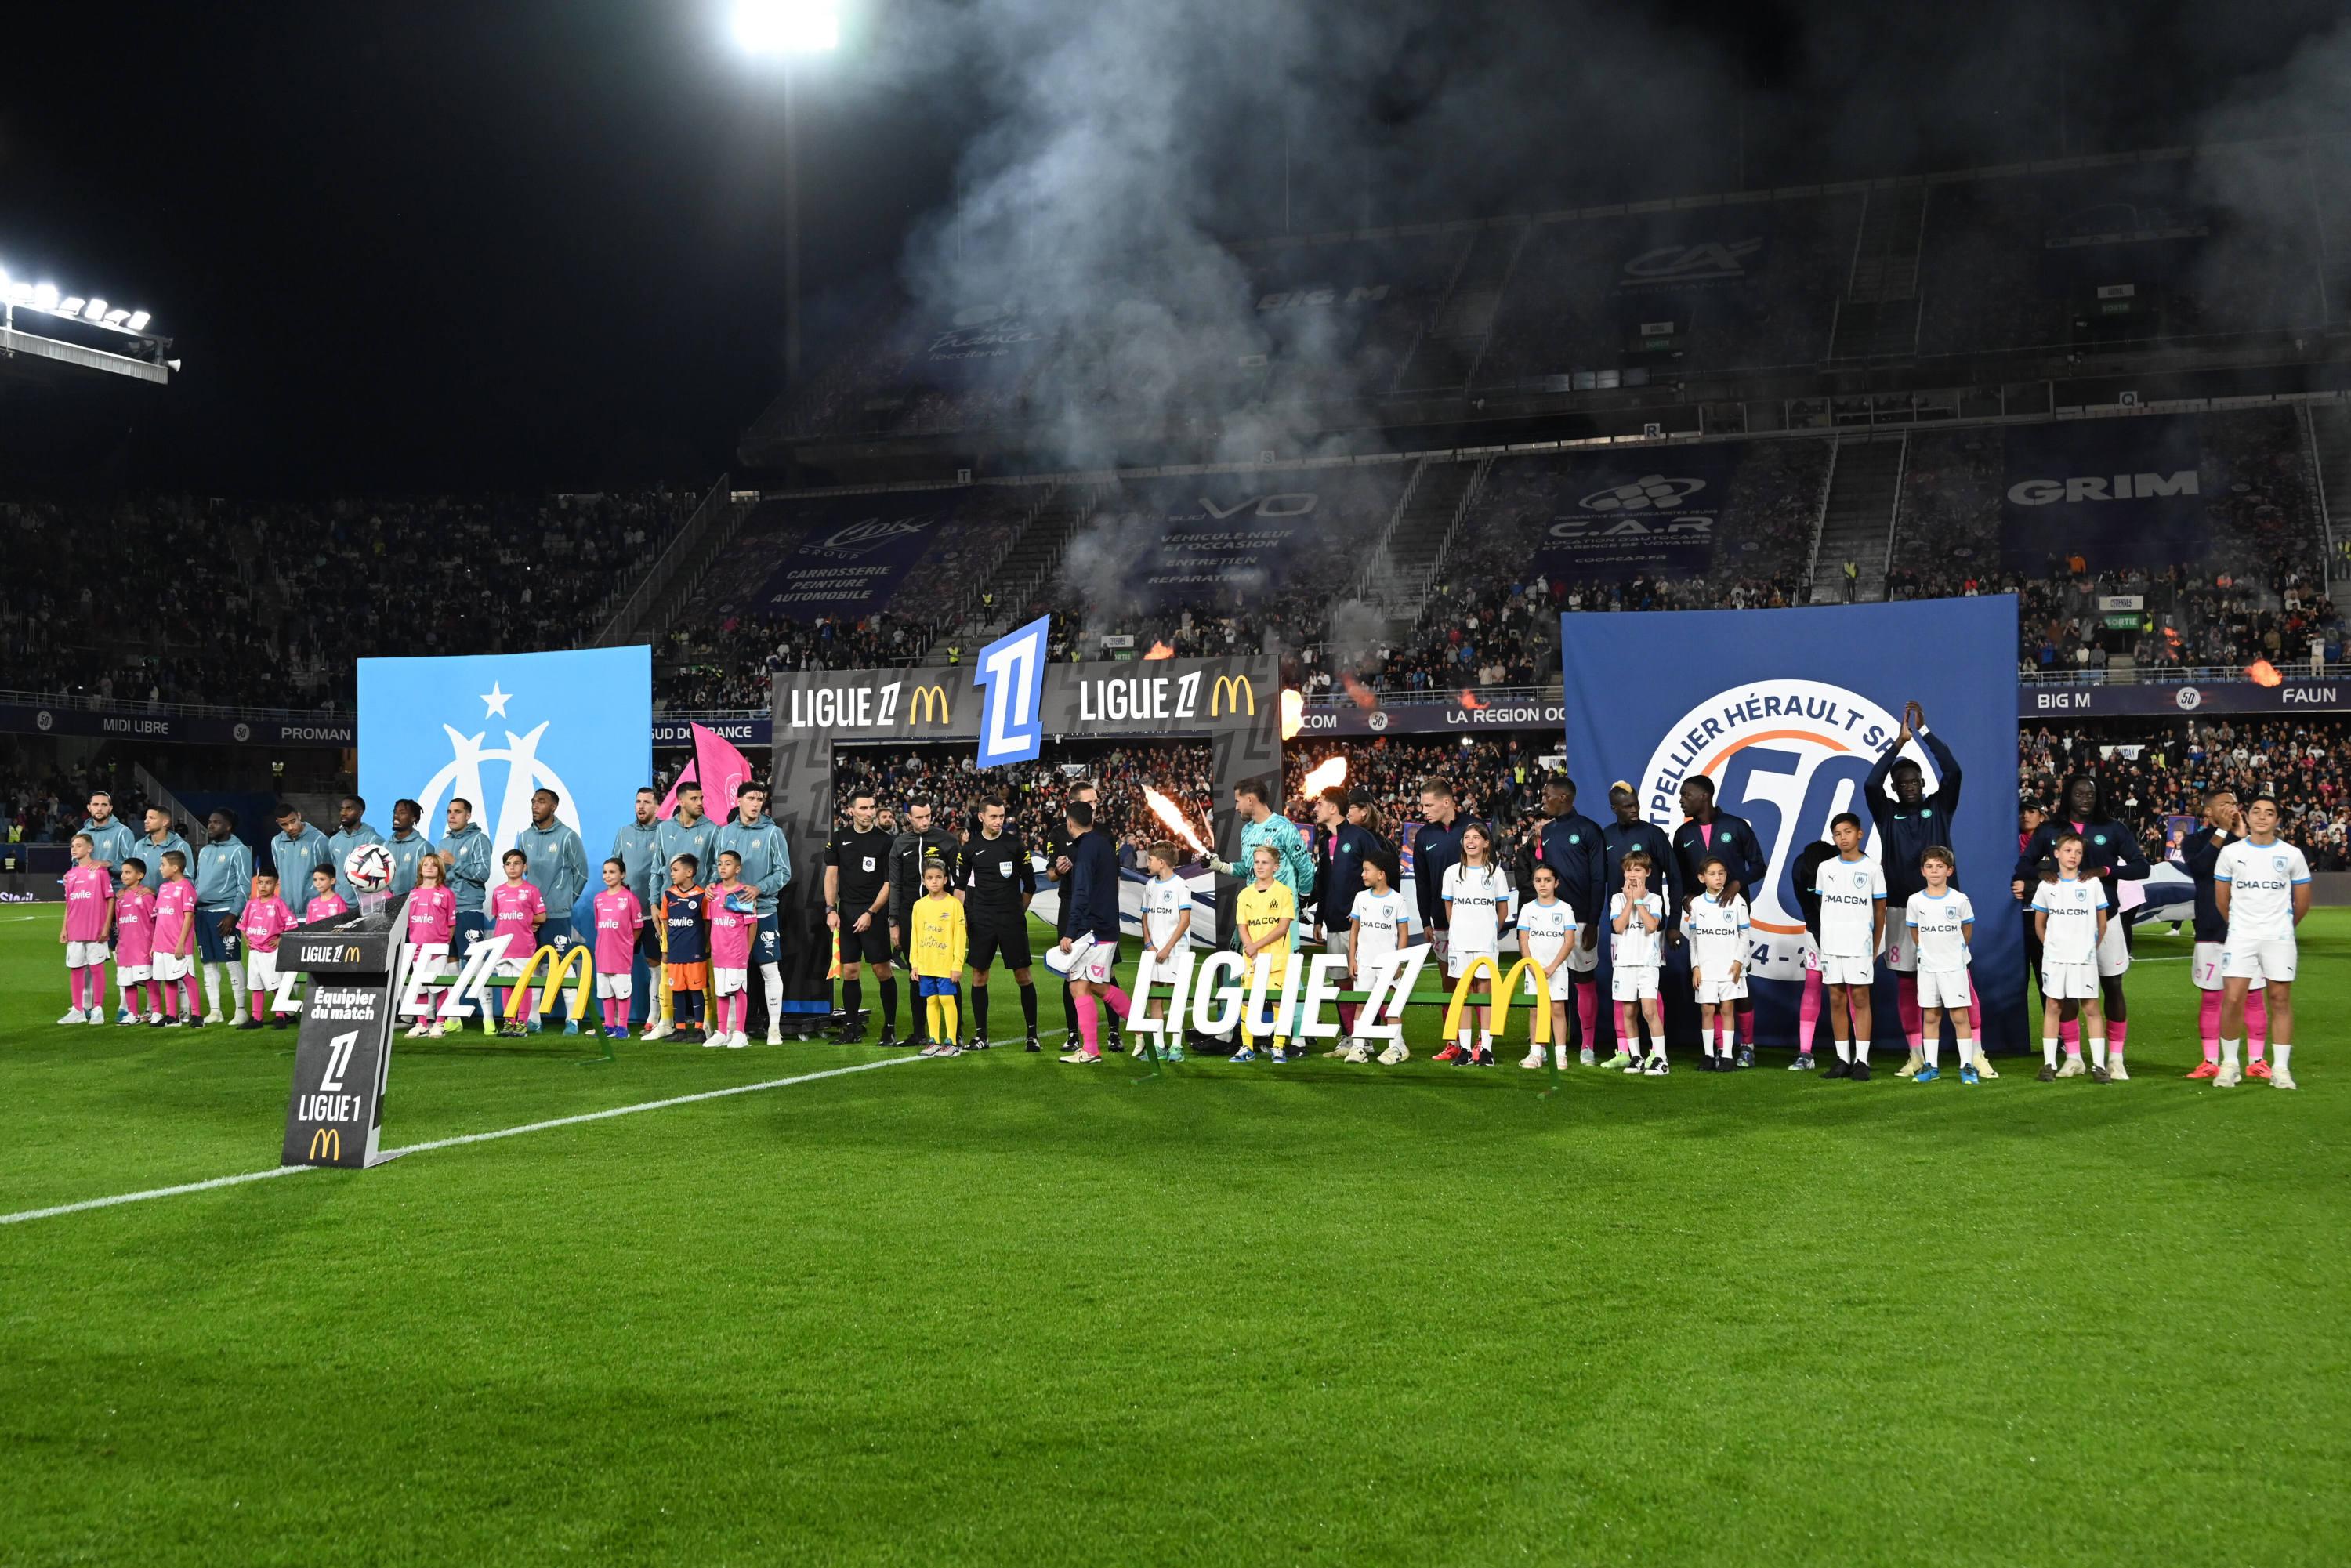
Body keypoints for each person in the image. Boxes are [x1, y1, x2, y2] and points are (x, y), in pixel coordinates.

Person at [1863, 701, 1977, 1078]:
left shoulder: (1940, 806)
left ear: (1923, 785)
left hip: (1944, 908)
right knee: (1908, 981)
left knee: (1961, 978)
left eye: (1915, 782)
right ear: (1894, 788)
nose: (1909, 787)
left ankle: (1974, 1055)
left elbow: (1954, 769)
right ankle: (1916, 1055)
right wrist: (1898, 744)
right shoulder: (1886, 814)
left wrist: (1925, 735)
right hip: (1899, 910)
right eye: (1902, 783)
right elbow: (1869, 783)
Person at [2013, 773, 2146, 1076]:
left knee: (2112, 987)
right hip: (2065, 928)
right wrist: (2038, 877)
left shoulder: (2112, 829)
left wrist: (2107, 870)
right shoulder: (2050, 830)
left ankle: (2115, 1058)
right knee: (2066, 994)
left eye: (2091, 794)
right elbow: (2023, 865)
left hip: (2105, 921)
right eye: (2079, 793)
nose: (2085, 799)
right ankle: (2073, 1057)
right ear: (2068, 796)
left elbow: (2142, 867)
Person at [2212, 794, 2312, 1090]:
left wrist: (2283, 927)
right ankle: (2229, 1064)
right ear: (2249, 816)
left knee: (2280, 999)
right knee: (2232, 999)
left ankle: (2280, 1068)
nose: (2262, 817)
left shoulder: (2292, 855)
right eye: (2256, 811)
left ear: (2277, 820)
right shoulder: (2231, 853)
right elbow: (2221, 899)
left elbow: (2303, 902)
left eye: (2269, 813)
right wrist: (2239, 926)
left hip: (2278, 938)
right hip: (2241, 935)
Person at [1671, 776, 1765, 1067]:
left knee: (1738, 984)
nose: (1681, 799)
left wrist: (1737, 884)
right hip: (1703, 916)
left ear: (1704, 796)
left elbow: (1759, 865)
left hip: (1731, 916)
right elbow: (1680, 876)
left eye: (1686, 794)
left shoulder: (1736, 826)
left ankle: (1747, 1046)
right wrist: (1686, 897)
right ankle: (1719, 1052)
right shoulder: (1682, 833)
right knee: (1709, 989)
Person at [2182, 789, 2270, 1080]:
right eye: (2224, 805)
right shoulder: (2195, 841)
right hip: (2210, 929)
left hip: (2248, 929)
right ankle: (2210, 1061)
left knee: (2254, 996)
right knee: (2212, 997)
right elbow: (2200, 867)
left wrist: (2245, 837)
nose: (2232, 808)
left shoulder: (2249, 842)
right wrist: (2223, 832)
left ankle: (2257, 1060)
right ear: (2208, 812)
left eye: (2234, 804)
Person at [1529, 776, 1606, 1064]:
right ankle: (1547, 1046)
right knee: (1546, 980)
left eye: (1547, 795)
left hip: (1583, 918)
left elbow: (1599, 878)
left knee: (1583, 979)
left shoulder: (1588, 829)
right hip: (1550, 921)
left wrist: (1594, 921)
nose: (1543, 799)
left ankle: (1587, 1046)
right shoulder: (1547, 832)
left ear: (1563, 797)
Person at [958, 795, 1039, 1052]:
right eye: (993, 816)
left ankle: (1032, 1036)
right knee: (979, 975)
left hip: (1010, 920)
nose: (998, 821)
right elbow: (960, 888)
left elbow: (1031, 885)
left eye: (1001, 816)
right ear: (981, 816)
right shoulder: (970, 848)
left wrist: (1017, 912)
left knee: (1023, 975)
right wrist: (964, 917)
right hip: (981, 919)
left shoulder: (1015, 845)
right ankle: (981, 1036)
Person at [715, 784, 792, 1045]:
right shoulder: (724, 833)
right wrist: (709, 887)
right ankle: (735, 1031)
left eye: (760, 799)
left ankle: (774, 1029)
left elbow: (784, 872)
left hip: (763, 911)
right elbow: (716, 870)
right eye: (751, 798)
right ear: (739, 801)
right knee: (732, 973)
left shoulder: (773, 833)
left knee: (769, 969)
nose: (756, 803)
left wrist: (760, 888)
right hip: (731, 915)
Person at [2030, 832, 2110, 1084]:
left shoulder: (2092, 884)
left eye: (2077, 852)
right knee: (2053, 1006)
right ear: (2057, 854)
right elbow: (2039, 925)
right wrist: (2051, 947)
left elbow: (2102, 923)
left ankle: (2099, 1066)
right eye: (2067, 851)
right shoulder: (2047, 886)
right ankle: (2049, 1064)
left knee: (2091, 1008)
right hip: (2055, 958)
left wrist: (2089, 947)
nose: (2072, 856)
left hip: (2083, 958)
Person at [1811, 813, 1886, 1081]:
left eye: (1847, 832)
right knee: (1836, 998)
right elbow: (1821, 905)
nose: (1843, 838)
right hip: (1832, 944)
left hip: (1860, 945)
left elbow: (1880, 911)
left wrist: (1876, 944)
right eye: (1837, 834)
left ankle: (1862, 1060)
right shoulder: (1826, 868)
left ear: (1859, 834)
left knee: (1861, 998)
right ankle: (1842, 1059)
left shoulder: (1872, 869)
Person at [1056, 799, 1130, 1065]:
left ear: (1070, 823)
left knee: (1078, 985)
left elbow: (1082, 892)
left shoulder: (1086, 850)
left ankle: (1091, 1050)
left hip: (1092, 929)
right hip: (1106, 924)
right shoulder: (1104, 845)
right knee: (1097, 985)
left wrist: (1070, 931)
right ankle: (1144, 1030)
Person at [1435, 820, 1512, 1066]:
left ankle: (1487, 1049)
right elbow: (1449, 907)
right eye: (1467, 837)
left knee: (1485, 991)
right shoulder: (1452, 873)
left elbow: (1503, 909)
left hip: (1485, 943)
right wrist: (1459, 927)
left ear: (1486, 843)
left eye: (1476, 838)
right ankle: (1466, 1050)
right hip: (1460, 942)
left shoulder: (1496, 873)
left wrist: (1489, 930)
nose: (1470, 842)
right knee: (1463, 992)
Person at [826, 791, 899, 1045]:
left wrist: (871, 912)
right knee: (850, 971)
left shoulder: (885, 841)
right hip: (847, 912)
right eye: (864, 808)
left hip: (874, 914)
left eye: (872, 808)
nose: (869, 813)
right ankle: (851, 1029)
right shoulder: (839, 838)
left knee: (882, 970)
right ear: (851, 811)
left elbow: (890, 883)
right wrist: (830, 909)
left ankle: (889, 1028)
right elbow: (831, 877)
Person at [888, 797, 958, 1048]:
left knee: (949, 974)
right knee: (916, 974)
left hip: (942, 915)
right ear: (909, 818)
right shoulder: (900, 844)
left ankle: (954, 1032)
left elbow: (959, 881)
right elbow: (894, 885)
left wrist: (959, 914)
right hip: (910, 916)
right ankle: (919, 1032)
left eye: (928, 816)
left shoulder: (947, 841)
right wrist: (893, 922)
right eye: (919, 817)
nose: (924, 821)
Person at [1905, 847, 1977, 1083]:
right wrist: (1928, 952)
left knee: (1959, 1016)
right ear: (1922, 871)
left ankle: (1967, 1067)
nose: (1934, 871)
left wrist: (1954, 952)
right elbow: (1915, 932)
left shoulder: (1959, 899)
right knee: (1931, 1017)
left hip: (1954, 967)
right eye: (1930, 866)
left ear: (1949, 870)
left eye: (1939, 866)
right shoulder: (1915, 901)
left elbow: (1966, 930)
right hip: (1928, 968)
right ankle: (1931, 1067)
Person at [653, 783, 719, 1034]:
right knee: (668, 965)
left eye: (702, 797)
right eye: (694, 798)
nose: (700, 802)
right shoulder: (664, 830)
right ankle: (667, 1023)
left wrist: (707, 898)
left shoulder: (713, 830)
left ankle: (709, 1023)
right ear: (681, 801)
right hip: (670, 908)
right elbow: (656, 869)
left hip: (700, 909)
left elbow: (715, 869)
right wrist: (654, 903)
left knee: (704, 969)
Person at [1346, 847, 1415, 1066]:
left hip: (1387, 964)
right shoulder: (1360, 898)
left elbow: (1403, 933)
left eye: (1367, 870)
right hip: (1365, 962)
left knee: (1392, 1005)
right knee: (1361, 1004)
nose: (1362, 874)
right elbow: (1354, 930)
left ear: (1381, 874)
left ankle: (1395, 1046)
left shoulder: (1397, 900)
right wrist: (1352, 959)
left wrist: (1398, 961)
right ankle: (1358, 1048)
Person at [1683, 855, 1751, 1073]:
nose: (1718, 878)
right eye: (1712, 874)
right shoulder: (1696, 904)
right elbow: (1693, 938)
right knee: (1707, 1010)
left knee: (1728, 1007)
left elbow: (1744, 933)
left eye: (1721, 873)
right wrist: (1695, 967)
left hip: (1729, 966)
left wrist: (1739, 961)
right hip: (1706, 967)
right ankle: (1709, 1056)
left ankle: (1728, 1055)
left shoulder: (1737, 901)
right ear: (1702, 878)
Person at [1232, 843, 1299, 1063]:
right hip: (1252, 958)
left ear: (1276, 867)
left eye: (1265, 862)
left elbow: (1282, 927)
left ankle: (1278, 1046)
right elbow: (1242, 926)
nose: (1260, 866)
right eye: (1257, 862)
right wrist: (1250, 948)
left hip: (1276, 959)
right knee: (1247, 1000)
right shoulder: (1245, 895)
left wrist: (1256, 945)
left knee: (1278, 1001)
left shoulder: (1284, 893)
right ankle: (1246, 1047)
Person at [130, 809, 195, 1023]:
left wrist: (157, 893)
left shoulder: (180, 847)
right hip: (149, 916)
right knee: (158, 969)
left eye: (151, 817)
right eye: (146, 817)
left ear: (165, 821)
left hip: (174, 920)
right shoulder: (139, 845)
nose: (146, 821)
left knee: (181, 972)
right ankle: (159, 1011)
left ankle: (189, 1012)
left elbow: (189, 880)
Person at [610, 788, 666, 1031]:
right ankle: (613, 1020)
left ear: (657, 806)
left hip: (654, 913)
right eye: (637, 802)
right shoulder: (624, 833)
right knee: (618, 968)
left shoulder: (666, 831)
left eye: (647, 802)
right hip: (626, 916)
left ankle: (654, 1018)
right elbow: (614, 867)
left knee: (656, 966)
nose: (641, 806)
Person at [1607, 849, 1667, 1076]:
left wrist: (1639, 901)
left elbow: (1652, 926)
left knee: (1650, 1011)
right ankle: (1636, 1058)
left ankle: (1661, 1059)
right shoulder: (1617, 899)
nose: (1633, 875)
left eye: (1638, 870)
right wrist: (1629, 901)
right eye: (1629, 870)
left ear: (1648, 873)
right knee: (1629, 1012)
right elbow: (1618, 927)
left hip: (1647, 963)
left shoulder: (1656, 899)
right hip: (1624, 964)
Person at [1514, 862, 1578, 1071]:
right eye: (1538, 880)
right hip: (1533, 970)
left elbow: (1569, 942)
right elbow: (1523, 940)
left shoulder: (1565, 909)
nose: (1543, 884)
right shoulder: (1527, 909)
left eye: (1548, 880)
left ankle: (1560, 1055)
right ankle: (1536, 1054)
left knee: (1557, 1010)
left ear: (1556, 883)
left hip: (1557, 969)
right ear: (1533, 883)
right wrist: (1532, 967)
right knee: (1535, 1010)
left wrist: (1552, 966)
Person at [1785, 837, 1840, 1072]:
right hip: (1816, 933)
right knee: (1813, 984)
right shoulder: (1801, 869)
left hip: (1845, 934)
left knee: (1847, 992)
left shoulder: (1843, 867)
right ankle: (1805, 1053)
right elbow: (1810, 911)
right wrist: (1821, 938)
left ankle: (1854, 1055)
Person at [194, 809, 253, 1027]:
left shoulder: (239, 851)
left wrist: (233, 914)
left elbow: (245, 886)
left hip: (224, 913)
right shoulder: (206, 851)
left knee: (231, 961)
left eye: (216, 823)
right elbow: (199, 882)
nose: (210, 826)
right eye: (209, 822)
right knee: (208, 963)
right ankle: (215, 1011)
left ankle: (241, 1011)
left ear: (228, 827)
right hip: (202, 914)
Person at [1137, 840, 1193, 1060]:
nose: (1147, 863)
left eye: (1150, 859)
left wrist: (1167, 948)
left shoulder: (1181, 886)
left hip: (1175, 952)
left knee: (1175, 997)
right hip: (1154, 951)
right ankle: (1159, 1046)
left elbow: (1184, 920)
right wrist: (1149, 945)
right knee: (1155, 997)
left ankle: (1176, 1046)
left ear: (1161, 862)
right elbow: (1145, 916)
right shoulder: (1150, 885)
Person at [909, 856, 969, 1058]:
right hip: (926, 964)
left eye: (938, 877)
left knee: (946, 999)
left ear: (946, 879)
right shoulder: (919, 906)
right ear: (924, 880)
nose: (934, 881)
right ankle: (934, 1040)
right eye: (929, 878)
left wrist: (957, 964)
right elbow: (915, 935)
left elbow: (960, 937)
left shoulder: (954, 905)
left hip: (945, 965)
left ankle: (951, 1041)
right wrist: (914, 963)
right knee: (931, 1001)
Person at [1411, 776, 1472, 971]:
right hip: (1440, 920)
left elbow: (1491, 873)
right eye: (1423, 805)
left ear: (1446, 802)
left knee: (1477, 982)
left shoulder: (1474, 828)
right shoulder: (1423, 836)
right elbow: (1422, 883)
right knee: (1448, 983)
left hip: (1474, 918)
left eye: (1429, 805)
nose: (1424, 811)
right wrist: (1425, 922)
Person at [650, 854, 710, 1045]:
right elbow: (666, 921)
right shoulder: (669, 895)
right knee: (677, 989)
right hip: (676, 951)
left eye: (676, 870)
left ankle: (700, 1030)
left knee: (696, 989)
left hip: (695, 952)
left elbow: (706, 923)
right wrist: (674, 940)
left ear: (689, 872)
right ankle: (680, 1029)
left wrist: (702, 943)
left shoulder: (701, 895)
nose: (672, 874)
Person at [487, 849, 546, 1037]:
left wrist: (529, 920)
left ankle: (522, 1021)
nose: (512, 867)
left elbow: (542, 916)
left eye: (517, 863)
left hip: (524, 946)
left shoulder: (531, 891)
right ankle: (508, 1021)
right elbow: (499, 916)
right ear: (504, 868)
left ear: (525, 866)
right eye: (508, 864)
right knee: (506, 985)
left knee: (524, 984)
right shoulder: (498, 892)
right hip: (503, 946)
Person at [589, 856, 647, 1044]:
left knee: (622, 991)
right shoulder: (599, 899)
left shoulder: (629, 898)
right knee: (605, 991)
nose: (607, 875)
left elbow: (637, 927)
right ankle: (609, 1025)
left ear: (622, 874)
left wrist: (627, 943)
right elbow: (600, 926)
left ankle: (623, 1026)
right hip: (602, 952)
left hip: (621, 953)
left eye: (612, 872)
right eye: (605, 872)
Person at [400, 853, 459, 1038]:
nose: (429, 867)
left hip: (437, 949)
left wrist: (443, 945)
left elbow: (451, 924)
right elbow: (410, 923)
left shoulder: (446, 894)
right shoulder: (413, 894)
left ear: (440, 870)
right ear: (420, 869)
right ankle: (422, 1024)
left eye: (434, 865)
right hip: (417, 950)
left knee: (439, 986)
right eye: (425, 864)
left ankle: (440, 1023)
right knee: (420, 987)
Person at [58, 832, 114, 1024]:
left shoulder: (100, 872)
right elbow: (69, 904)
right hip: (74, 930)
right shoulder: (70, 875)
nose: (74, 849)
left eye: (79, 845)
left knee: (97, 968)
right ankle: (77, 1010)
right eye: (72, 846)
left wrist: (106, 926)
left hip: (95, 930)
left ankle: (98, 1008)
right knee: (75, 969)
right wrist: (64, 928)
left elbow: (110, 899)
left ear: (90, 848)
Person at [707, 850, 758, 1049]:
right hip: (718, 952)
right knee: (721, 991)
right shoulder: (713, 892)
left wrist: (747, 949)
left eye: (727, 864)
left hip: (737, 952)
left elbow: (751, 924)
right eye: (720, 864)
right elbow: (711, 922)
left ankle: (740, 1032)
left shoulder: (744, 893)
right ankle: (721, 1032)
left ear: (737, 869)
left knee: (738, 990)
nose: (722, 867)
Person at [237, 872, 296, 1029]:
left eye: (268, 883)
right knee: (256, 986)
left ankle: (281, 1017)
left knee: (275, 985)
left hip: (270, 952)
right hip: (255, 952)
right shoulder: (252, 904)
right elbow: (242, 924)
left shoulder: (278, 903)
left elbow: (291, 925)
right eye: (260, 883)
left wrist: (280, 940)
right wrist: (246, 939)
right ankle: (257, 1019)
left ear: (275, 885)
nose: (263, 886)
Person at [441, 797, 494, 962]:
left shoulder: (479, 839)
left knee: (474, 962)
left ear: (468, 815)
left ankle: (482, 990)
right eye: (449, 812)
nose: (452, 816)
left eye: (457, 812)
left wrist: (454, 862)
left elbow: (483, 873)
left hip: (468, 910)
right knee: (449, 963)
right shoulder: (443, 843)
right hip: (444, 911)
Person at [154, 849, 201, 1026]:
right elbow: (160, 918)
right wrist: (154, 944)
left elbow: (189, 917)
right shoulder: (164, 887)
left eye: (163, 865)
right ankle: (172, 1016)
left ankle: (197, 1015)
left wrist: (181, 943)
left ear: (175, 868)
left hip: (178, 944)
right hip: (162, 943)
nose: (160, 868)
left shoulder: (186, 887)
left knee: (188, 977)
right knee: (169, 978)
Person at [270, 805, 335, 925]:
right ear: (278, 823)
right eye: (284, 824)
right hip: (287, 913)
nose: (290, 827)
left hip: (315, 912)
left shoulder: (319, 841)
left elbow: (331, 878)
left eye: (293, 821)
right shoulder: (276, 842)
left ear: (299, 816)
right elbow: (280, 872)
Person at [114, 856, 159, 1027]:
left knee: (149, 980)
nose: (123, 876)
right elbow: (120, 922)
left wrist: (154, 943)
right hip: (126, 947)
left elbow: (154, 922)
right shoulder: (122, 897)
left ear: (139, 875)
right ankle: (132, 1014)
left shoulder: (146, 896)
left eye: (128, 872)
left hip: (143, 946)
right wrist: (119, 942)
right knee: (127, 982)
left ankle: (156, 1012)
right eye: (123, 872)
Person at [327, 794, 385, 907]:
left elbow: (381, 876)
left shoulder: (374, 840)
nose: (343, 813)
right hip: (340, 906)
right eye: (342, 809)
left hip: (366, 906)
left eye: (349, 809)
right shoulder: (334, 840)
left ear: (361, 812)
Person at [382, 798, 436, 897]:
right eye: (395, 812)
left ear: (413, 818)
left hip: (413, 905)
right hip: (387, 906)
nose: (396, 816)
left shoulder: (423, 847)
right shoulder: (385, 846)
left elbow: (430, 881)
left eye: (402, 813)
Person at [78, 791, 136, 873]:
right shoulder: (81, 834)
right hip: (88, 884)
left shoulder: (123, 832)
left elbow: (133, 865)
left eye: (104, 805)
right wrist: (71, 876)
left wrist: (108, 864)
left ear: (110, 808)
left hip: (114, 885)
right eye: (95, 804)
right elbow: (76, 863)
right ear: (89, 807)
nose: (99, 809)